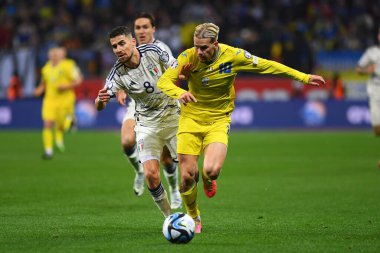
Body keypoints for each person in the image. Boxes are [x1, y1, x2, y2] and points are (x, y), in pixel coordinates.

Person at [157, 22, 326, 233]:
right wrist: (179, 92)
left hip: (219, 120)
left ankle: (209, 180)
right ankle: (193, 217)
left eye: (204, 48)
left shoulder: (234, 56)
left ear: (215, 44)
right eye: (196, 46)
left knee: (211, 170)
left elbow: (268, 65)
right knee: (187, 176)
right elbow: (164, 82)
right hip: (190, 119)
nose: (198, 52)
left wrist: (303, 77)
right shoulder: (187, 57)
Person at [95, 26, 180, 218]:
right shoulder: (116, 72)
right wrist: (100, 101)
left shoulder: (155, 50)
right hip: (146, 120)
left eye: (121, 43)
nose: (118, 49)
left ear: (133, 42)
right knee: (150, 172)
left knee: (188, 170)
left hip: (172, 113)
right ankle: (169, 218)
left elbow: (177, 68)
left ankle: (180, 195)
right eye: (114, 46)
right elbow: (99, 104)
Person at [118, 12, 181, 210]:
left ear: (153, 29)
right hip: (138, 106)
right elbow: (121, 72)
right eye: (138, 27)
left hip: (163, 107)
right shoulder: (128, 48)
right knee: (127, 141)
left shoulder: (161, 49)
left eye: (146, 27)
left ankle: (174, 189)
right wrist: (120, 90)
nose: (142, 30)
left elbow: (173, 73)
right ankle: (139, 171)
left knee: (166, 160)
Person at [34, 45, 82, 160]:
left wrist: (66, 86)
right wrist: (39, 90)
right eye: (52, 54)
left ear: (61, 55)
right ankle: (48, 151)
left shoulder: (68, 65)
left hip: (64, 100)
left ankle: (69, 124)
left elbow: (78, 80)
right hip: (49, 100)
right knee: (48, 123)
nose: (54, 56)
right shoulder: (46, 68)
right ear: (49, 55)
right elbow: (44, 83)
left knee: (61, 126)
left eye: (56, 54)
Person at [356, 28, 380, 146]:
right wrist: (367, 70)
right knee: (377, 130)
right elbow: (358, 69)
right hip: (375, 90)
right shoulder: (372, 52)